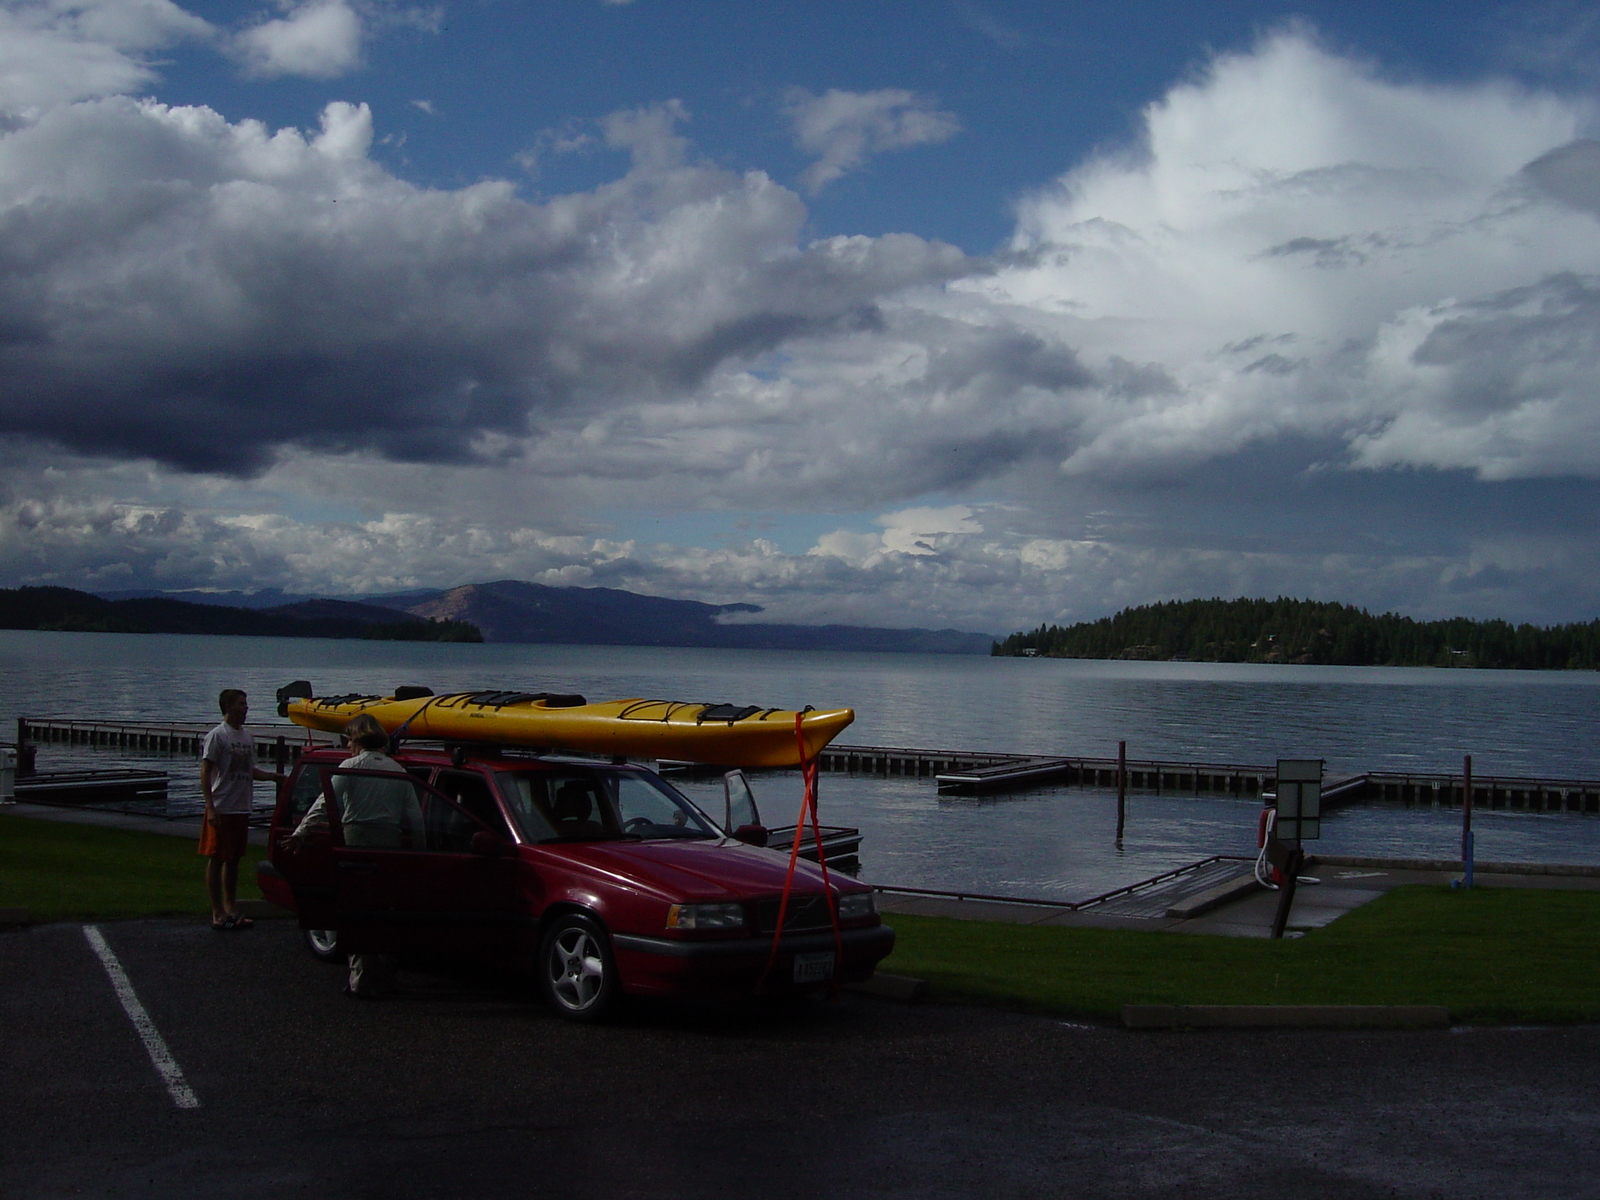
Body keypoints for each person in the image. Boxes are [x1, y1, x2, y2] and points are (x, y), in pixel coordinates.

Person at [281, 714, 423, 997]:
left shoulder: (350, 767)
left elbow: (324, 804)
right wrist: (420, 853)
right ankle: (387, 975)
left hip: (356, 842)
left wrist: (301, 833)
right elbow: (416, 819)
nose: (346, 746)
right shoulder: (398, 771)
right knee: (385, 912)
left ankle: (360, 980)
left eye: (348, 740)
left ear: (357, 740)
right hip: (390, 845)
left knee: (356, 911)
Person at [199, 689, 286, 931]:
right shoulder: (217, 736)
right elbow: (206, 771)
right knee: (216, 858)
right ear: (228, 706)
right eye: (241, 703)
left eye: (246, 703)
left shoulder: (247, 738)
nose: (246, 707)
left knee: (234, 860)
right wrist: (210, 806)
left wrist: (271, 777)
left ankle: (231, 908)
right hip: (221, 806)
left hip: (241, 806)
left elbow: (249, 770)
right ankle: (217, 912)